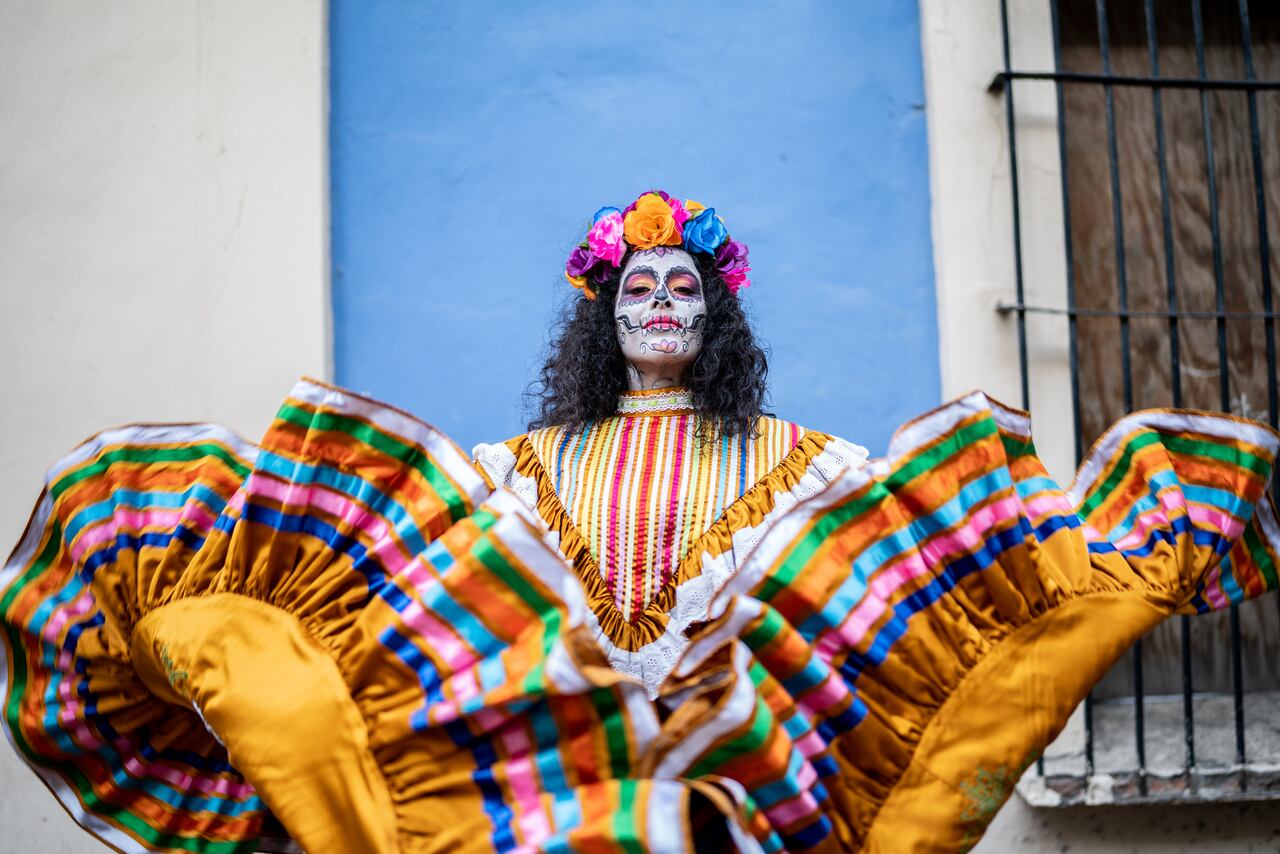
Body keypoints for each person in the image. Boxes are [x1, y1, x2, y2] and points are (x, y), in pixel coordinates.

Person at [2, 190, 1278, 854]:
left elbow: (878, 619)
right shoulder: (508, 470)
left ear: (711, 319)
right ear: (600, 316)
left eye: (681, 287)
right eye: (636, 285)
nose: (659, 302)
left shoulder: (808, 463)